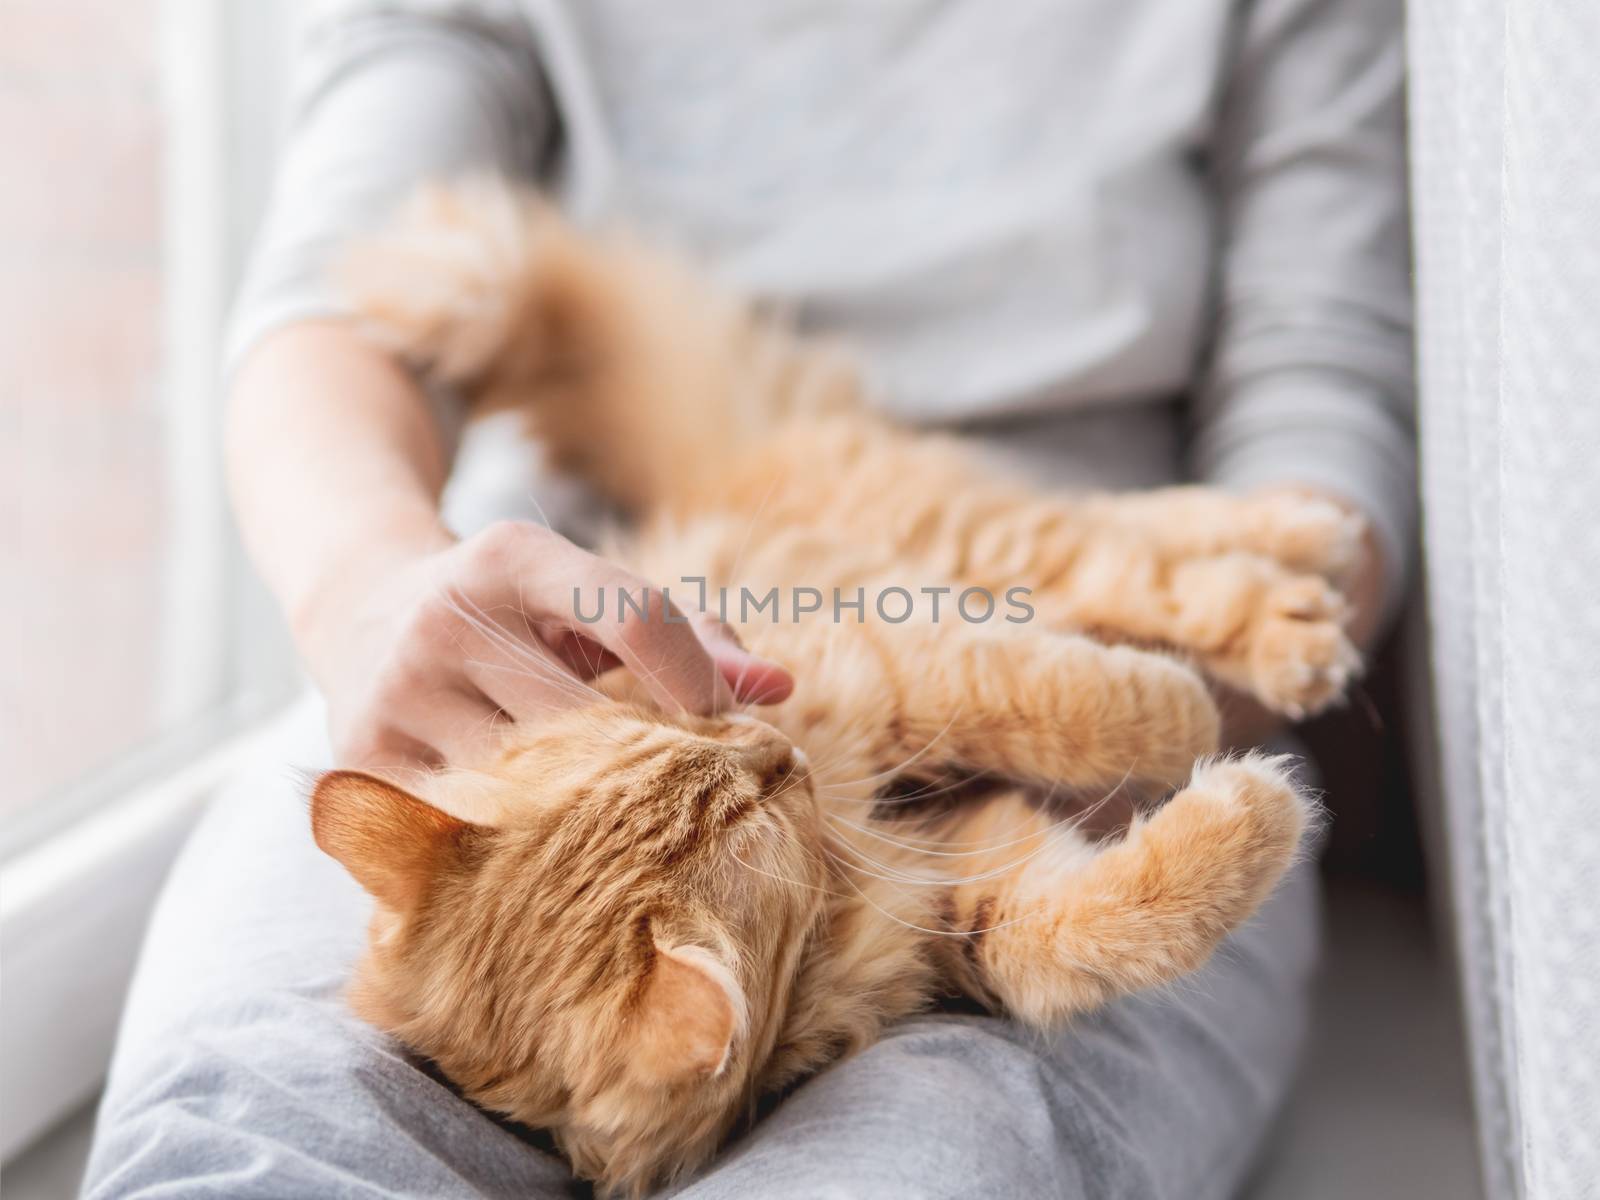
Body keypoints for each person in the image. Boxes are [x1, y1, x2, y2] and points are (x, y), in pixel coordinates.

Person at [84, 1, 1414, 1196]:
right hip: (551, 657)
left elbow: (1326, 391)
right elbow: (344, 288)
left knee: (937, 1149)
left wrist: (1129, 639)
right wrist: (367, 587)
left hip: (1073, 585)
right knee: (260, 1119)